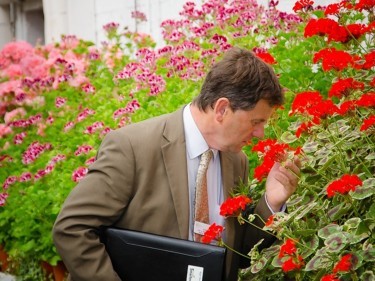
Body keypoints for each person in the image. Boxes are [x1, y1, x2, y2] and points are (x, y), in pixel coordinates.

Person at [52, 47, 301, 281]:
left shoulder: (237, 161)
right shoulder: (131, 148)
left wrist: (272, 203)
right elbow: (72, 228)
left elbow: (237, 254)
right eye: (256, 121)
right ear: (222, 109)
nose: (260, 133)